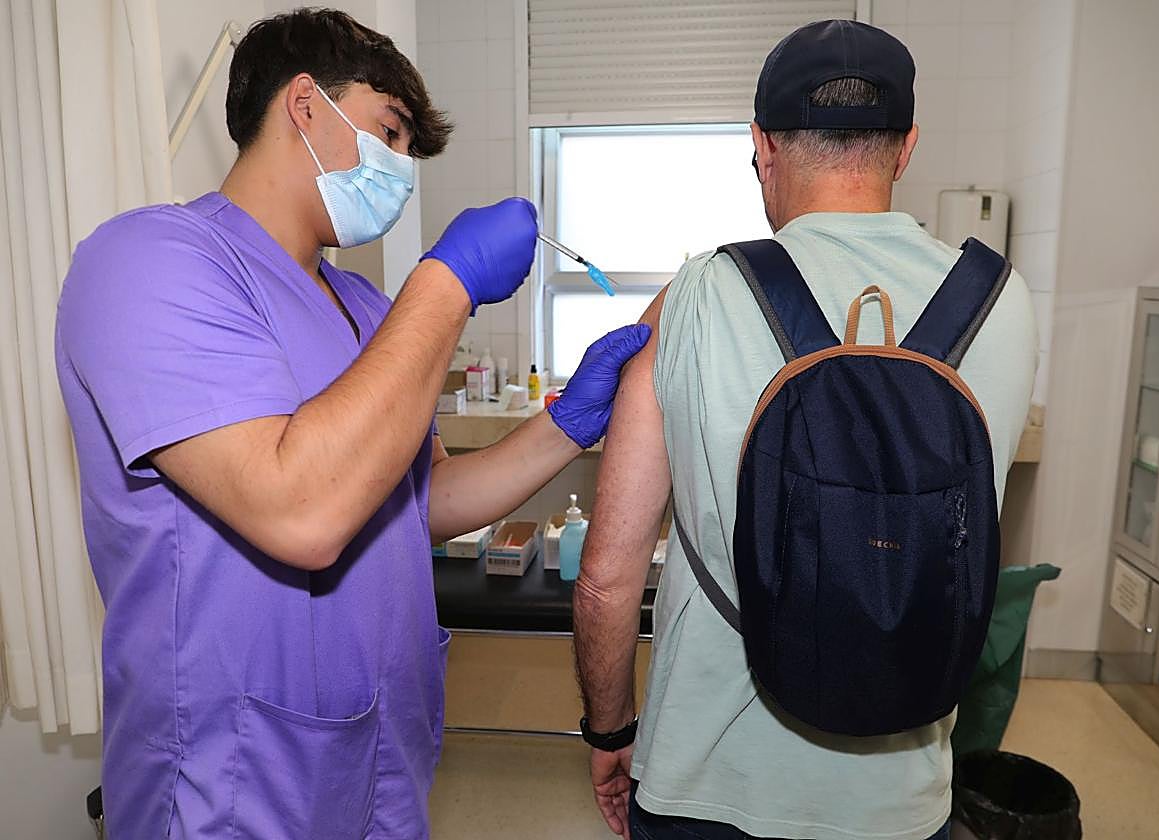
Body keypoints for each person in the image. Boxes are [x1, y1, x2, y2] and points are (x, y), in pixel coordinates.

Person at [55, 9, 647, 839]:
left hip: (380, 754)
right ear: (304, 104)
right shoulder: (147, 263)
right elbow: (301, 511)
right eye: (391, 132)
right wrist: (447, 283)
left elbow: (420, 501)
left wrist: (567, 424)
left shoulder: (367, 307)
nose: (401, 169)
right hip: (233, 775)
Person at [573, 19, 1037, 840]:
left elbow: (608, 579)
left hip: (704, 781)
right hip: (899, 798)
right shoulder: (1003, 302)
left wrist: (609, 731)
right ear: (906, 147)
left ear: (762, 144)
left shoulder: (700, 294)